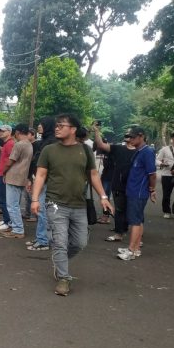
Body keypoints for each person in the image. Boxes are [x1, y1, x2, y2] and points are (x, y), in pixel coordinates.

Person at [31, 113, 113, 296]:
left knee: (80, 243)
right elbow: (41, 175)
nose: (57, 128)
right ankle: (63, 278)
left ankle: (60, 262)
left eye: (61, 125)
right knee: (60, 242)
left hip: (79, 205)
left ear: (73, 129)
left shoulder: (84, 151)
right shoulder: (49, 150)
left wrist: (104, 196)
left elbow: (93, 175)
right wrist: (35, 199)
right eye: (57, 125)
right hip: (55, 203)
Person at [117, 126, 157, 261]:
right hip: (133, 190)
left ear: (141, 136)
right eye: (129, 137)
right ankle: (136, 248)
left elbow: (152, 174)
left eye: (133, 137)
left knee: (134, 221)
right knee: (137, 220)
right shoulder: (139, 151)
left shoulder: (147, 152)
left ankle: (131, 250)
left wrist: (152, 190)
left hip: (138, 192)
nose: (130, 140)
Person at [93, 126, 137, 242]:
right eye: (127, 135)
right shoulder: (118, 148)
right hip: (119, 184)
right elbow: (101, 145)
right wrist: (97, 132)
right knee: (119, 209)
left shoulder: (142, 151)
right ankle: (119, 233)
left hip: (136, 186)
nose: (128, 137)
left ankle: (135, 237)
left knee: (134, 210)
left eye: (131, 135)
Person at [25, 116, 56, 251]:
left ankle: (43, 240)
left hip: (47, 181)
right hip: (40, 179)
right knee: (40, 210)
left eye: (41, 124)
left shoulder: (51, 143)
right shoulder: (44, 141)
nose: (38, 126)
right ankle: (40, 237)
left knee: (42, 210)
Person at [0, 124, 33, 239]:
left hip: (13, 176)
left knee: (12, 205)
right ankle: (16, 227)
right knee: (15, 205)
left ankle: (18, 229)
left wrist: (4, 172)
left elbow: (10, 161)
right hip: (22, 176)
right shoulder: (29, 144)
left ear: (17, 132)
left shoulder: (19, 145)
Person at [0, 125, 14, 230]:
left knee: (4, 199)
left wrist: (5, 172)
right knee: (3, 199)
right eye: (0, 131)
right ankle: (6, 220)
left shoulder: (10, 143)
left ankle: (8, 222)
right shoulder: (7, 143)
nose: (0, 132)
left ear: (9, 132)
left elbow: (11, 160)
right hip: (3, 173)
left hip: (5, 174)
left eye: (3, 131)